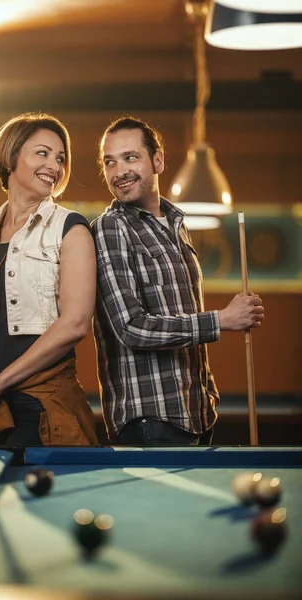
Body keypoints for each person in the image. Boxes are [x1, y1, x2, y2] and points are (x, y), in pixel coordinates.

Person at [92, 116, 264, 446]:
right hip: (148, 417)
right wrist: (222, 319)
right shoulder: (111, 228)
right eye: (109, 162)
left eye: (130, 157)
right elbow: (131, 327)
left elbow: (180, 313)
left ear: (158, 160)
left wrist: (207, 393)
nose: (118, 172)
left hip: (195, 412)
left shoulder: (175, 225)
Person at [0, 112, 98, 446]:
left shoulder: (70, 228)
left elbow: (74, 324)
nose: (55, 166)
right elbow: (2, 331)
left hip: (45, 409)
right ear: (11, 157)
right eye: (42, 153)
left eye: (60, 158)